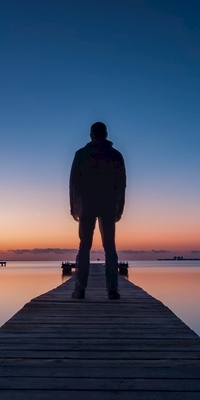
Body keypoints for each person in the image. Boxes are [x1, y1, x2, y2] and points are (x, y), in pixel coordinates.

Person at [69, 122, 126, 299]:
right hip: (108, 204)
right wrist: (120, 207)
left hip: (86, 204)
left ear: (91, 135)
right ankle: (112, 289)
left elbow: (73, 184)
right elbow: (122, 185)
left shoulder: (81, 155)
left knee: (84, 246)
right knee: (110, 247)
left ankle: (80, 289)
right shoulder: (116, 155)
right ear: (106, 134)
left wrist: (73, 206)